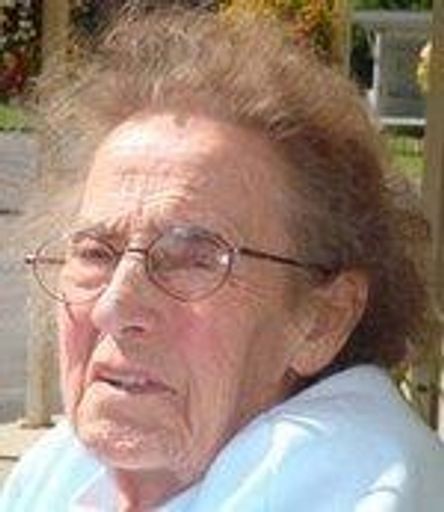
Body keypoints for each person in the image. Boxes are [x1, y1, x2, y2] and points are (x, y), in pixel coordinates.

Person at [1, 5, 444, 512]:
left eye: (192, 259)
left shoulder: (352, 478)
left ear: (324, 319)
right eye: (95, 253)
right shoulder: (60, 469)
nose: (113, 308)